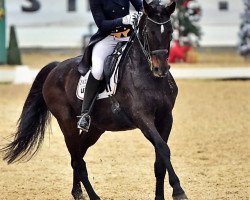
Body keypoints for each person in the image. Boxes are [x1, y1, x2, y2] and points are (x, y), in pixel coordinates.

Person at [77, 0, 143, 132]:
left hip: (129, 36)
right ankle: (85, 114)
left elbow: (141, 5)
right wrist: (122, 20)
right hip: (108, 38)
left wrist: (141, 14)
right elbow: (102, 24)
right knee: (97, 71)